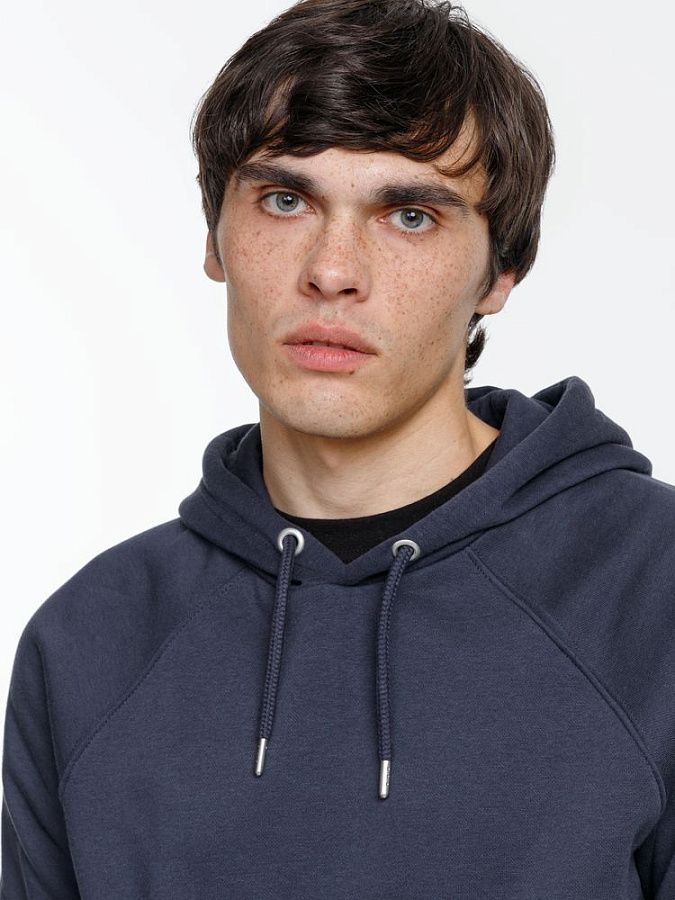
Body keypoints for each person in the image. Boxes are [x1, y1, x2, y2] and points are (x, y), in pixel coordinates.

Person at [2, 0, 673, 896]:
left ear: (500, 270)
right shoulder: (91, 638)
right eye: (285, 200)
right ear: (214, 237)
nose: (331, 270)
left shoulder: (651, 589)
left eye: (409, 215)